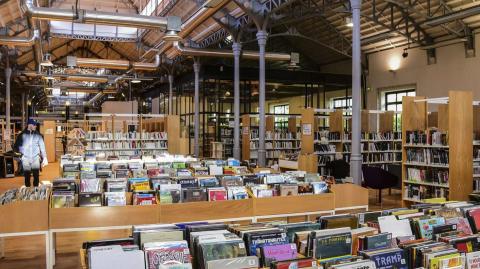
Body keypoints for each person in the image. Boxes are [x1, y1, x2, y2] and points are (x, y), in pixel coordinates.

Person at [14, 119, 48, 187]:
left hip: (35, 158)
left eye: (35, 125)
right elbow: (17, 145)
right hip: (26, 158)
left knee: (36, 176)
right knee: (27, 176)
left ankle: (36, 191)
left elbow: (42, 146)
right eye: (34, 125)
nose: (35, 126)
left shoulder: (38, 135)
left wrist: (44, 157)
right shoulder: (22, 135)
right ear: (29, 125)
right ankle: (28, 191)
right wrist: (21, 155)